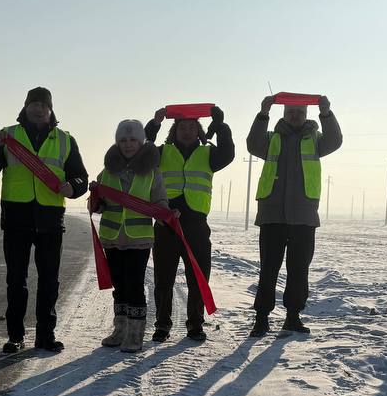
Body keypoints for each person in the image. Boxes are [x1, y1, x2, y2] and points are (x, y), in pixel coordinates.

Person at [0, 87, 88, 353]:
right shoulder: (8, 136)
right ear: (25, 107)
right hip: (17, 218)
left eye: (43, 105)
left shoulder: (65, 140)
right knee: (16, 280)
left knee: (49, 280)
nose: (38, 109)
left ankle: (45, 336)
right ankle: (15, 336)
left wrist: (72, 186)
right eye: (33, 104)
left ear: (50, 109)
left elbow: (81, 177)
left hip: (51, 220)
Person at [245, 94, 343, 336]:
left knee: (299, 270)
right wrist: (263, 114)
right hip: (272, 215)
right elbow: (253, 143)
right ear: (284, 114)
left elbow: (335, 140)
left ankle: (292, 317)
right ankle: (261, 319)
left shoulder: (315, 140)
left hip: (304, 215)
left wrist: (327, 113)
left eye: (299, 112)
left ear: (305, 115)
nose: (295, 116)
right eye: (291, 112)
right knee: (268, 269)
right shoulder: (271, 139)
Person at [143, 104, 235, 342]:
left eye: (191, 127)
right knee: (164, 278)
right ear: (175, 130)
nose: (186, 131)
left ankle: (195, 324)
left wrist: (220, 125)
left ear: (198, 130)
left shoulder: (209, 153)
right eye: (182, 127)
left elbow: (228, 153)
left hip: (196, 224)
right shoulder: (162, 152)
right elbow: (143, 153)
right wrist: (154, 125)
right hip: (166, 224)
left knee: (198, 276)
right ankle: (162, 325)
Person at [93, 120, 166, 353]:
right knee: (119, 285)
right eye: (123, 140)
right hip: (112, 237)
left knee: (134, 285)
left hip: (139, 238)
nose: (128, 144)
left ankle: (135, 335)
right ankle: (120, 330)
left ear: (141, 141)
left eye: (133, 140)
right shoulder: (106, 171)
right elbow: (99, 203)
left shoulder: (153, 172)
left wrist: (166, 213)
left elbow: (160, 199)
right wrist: (95, 200)